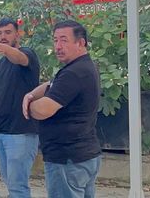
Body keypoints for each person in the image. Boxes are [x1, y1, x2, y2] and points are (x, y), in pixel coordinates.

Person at [22, 20, 101, 198]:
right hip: (83, 155)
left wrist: (28, 105)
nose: (58, 46)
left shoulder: (73, 73)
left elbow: (45, 109)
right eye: (55, 40)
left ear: (81, 43)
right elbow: (51, 84)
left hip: (67, 159)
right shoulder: (83, 67)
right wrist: (31, 95)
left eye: (64, 40)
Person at [0, 17, 40, 198]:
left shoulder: (27, 54)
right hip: (1, 133)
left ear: (17, 34)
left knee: (18, 188)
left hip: (21, 132)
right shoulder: (1, 64)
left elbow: (20, 58)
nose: (3, 37)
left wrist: (6, 49)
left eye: (8, 32)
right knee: (11, 187)